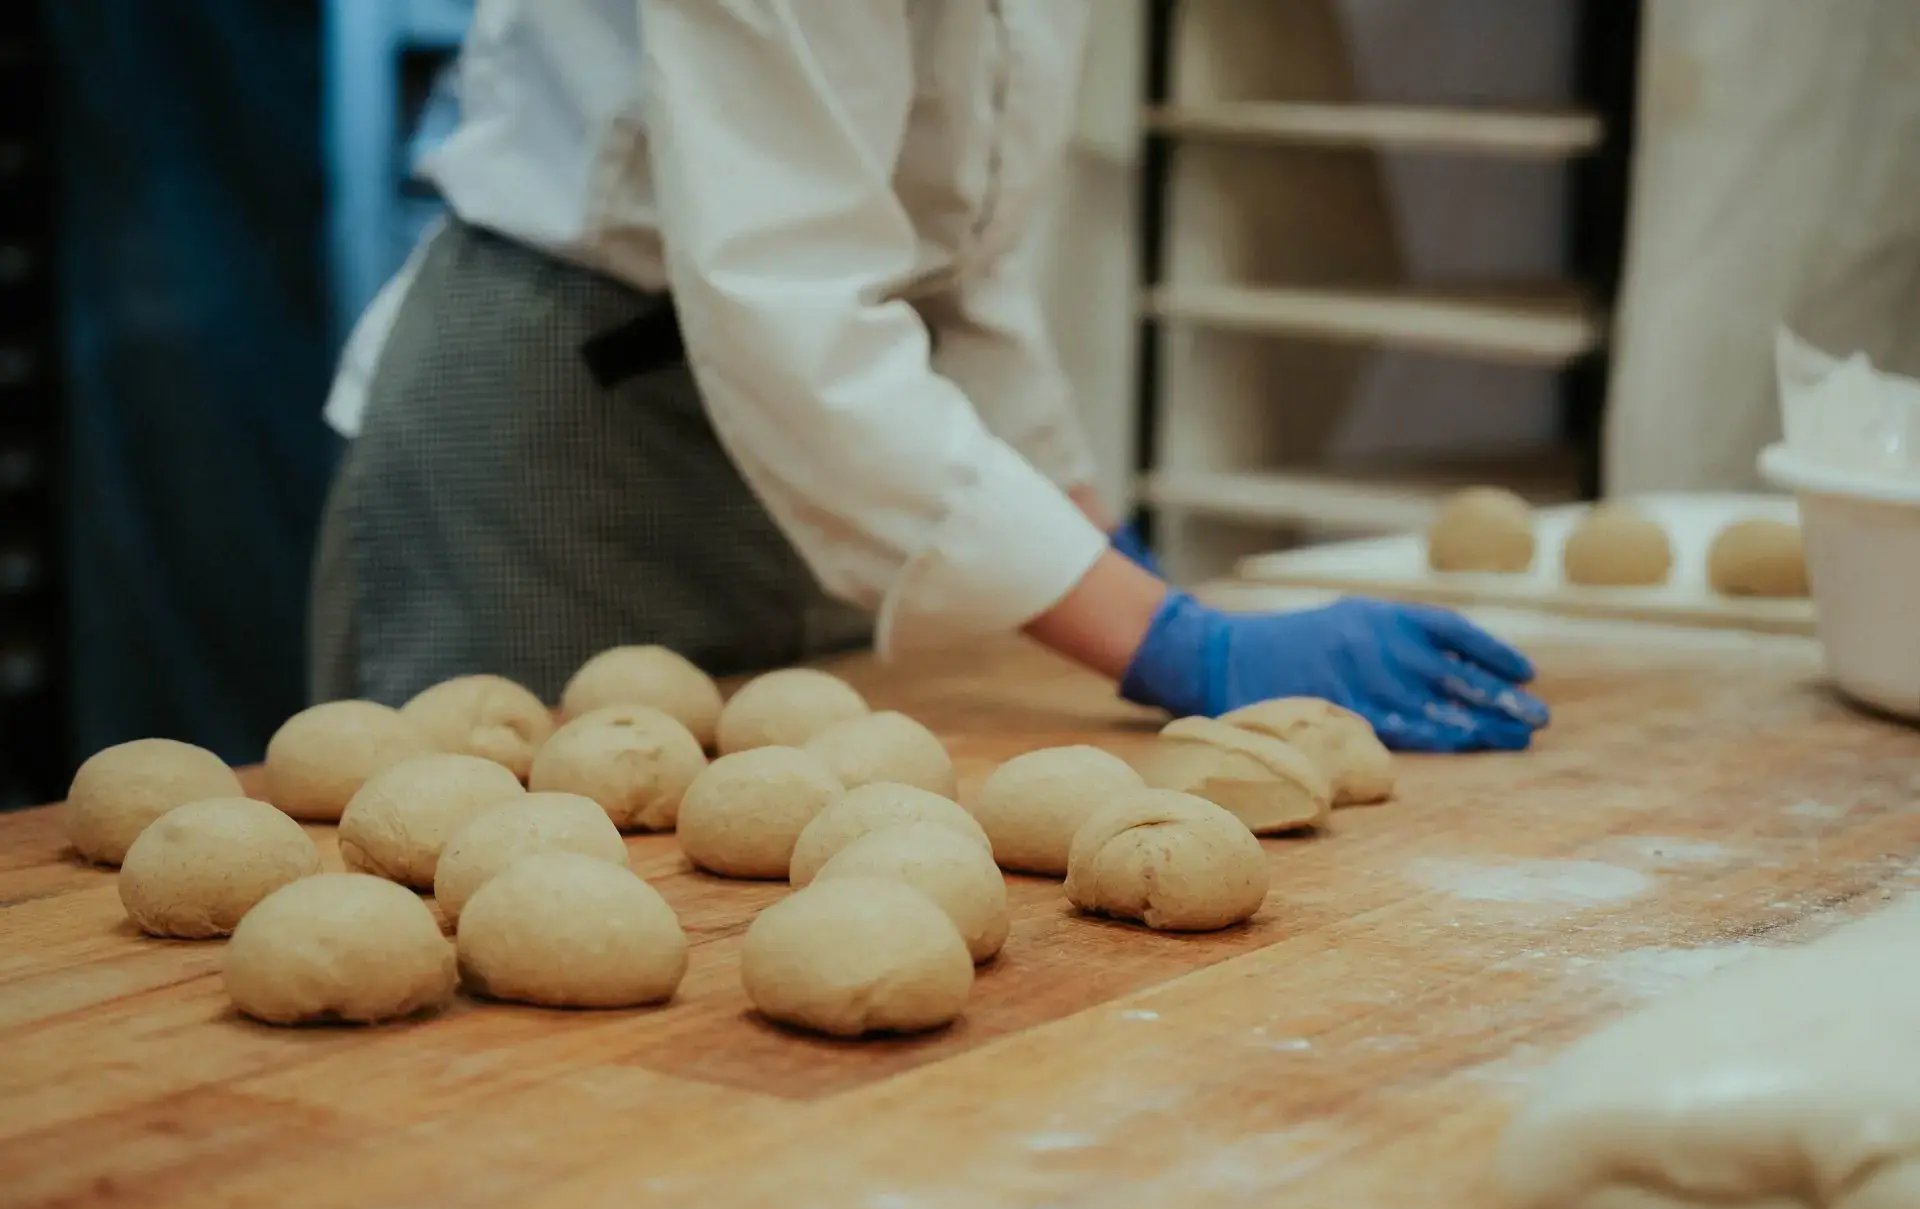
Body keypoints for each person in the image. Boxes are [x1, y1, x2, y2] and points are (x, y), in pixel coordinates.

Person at [312, 2, 1547, 752]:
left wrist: (1108, 551)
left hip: (810, 418)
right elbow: (784, 300)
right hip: (559, 434)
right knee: (494, 913)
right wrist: (1172, 643)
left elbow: (956, 258)